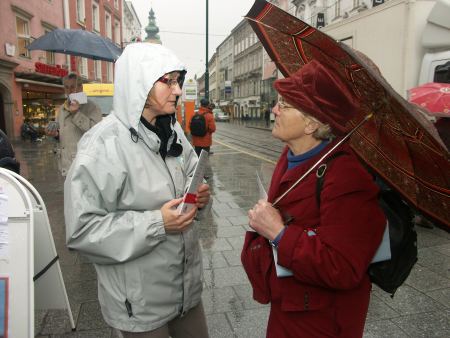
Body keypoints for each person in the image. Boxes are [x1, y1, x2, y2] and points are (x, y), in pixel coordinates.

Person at [64, 43, 210, 337]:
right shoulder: (102, 145)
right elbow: (82, 231)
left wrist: (199, 196)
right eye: (167, 81)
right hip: (140, 305)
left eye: (178, 81)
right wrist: (158, 223)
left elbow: (191, 173)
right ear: (139, 82)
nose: (178, 90)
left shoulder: (174, 130)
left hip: (187, 293)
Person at [241, 60, 386, 338]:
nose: (274, 110)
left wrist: (279, 233)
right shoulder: (290, 156)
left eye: (284, 104)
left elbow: (343, 267)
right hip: (290, 306)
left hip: (322, 321)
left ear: (311, 123)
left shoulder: (347, 177)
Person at [47, 73, 102, 176]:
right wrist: (55, 134)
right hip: (65, 165)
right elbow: (63, 134)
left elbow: (97, 133)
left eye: (73, 87)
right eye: (66, 87)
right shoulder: (62, 109)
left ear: (81, 87)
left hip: (83, 165)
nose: (70, 91)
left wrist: (76, 114)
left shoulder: (92, 107)